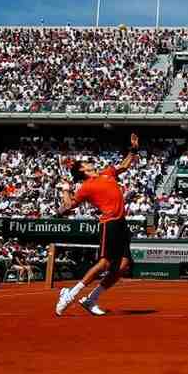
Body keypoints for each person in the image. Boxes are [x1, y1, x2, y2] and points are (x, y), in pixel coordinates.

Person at [54, 133, 140, 317]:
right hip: (109, 224)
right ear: (83, 170)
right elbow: (67, 207)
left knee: (123, 265)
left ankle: (91, 298)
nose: (89, 163)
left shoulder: (107, 172)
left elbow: (125, 165)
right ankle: (70, 294)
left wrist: (133, 148)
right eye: (85, 163)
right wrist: (66, 190)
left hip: (122, 223)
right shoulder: (85, 187)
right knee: (104, 263)